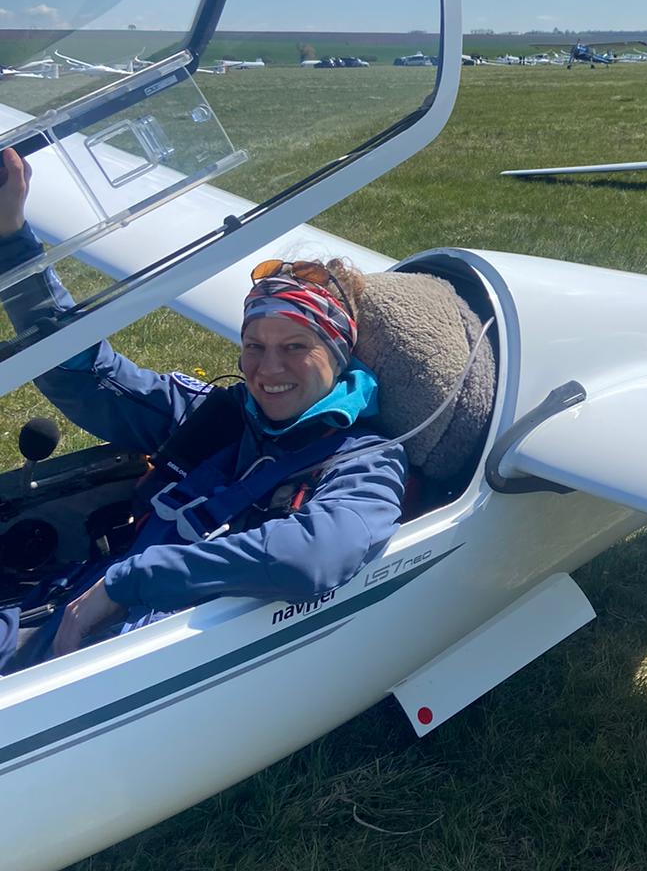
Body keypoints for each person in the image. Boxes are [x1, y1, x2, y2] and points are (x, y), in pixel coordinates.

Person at [0, 144, 407, 669]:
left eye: (295, 347)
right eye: (254, 346)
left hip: (131, 656)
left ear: (337, 353)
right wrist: (12, 239)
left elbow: (319, 554)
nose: (268, 369)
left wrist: (129, 581)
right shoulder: (217, 413)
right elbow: (82, 372)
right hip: (69, 606)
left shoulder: (365, 457)